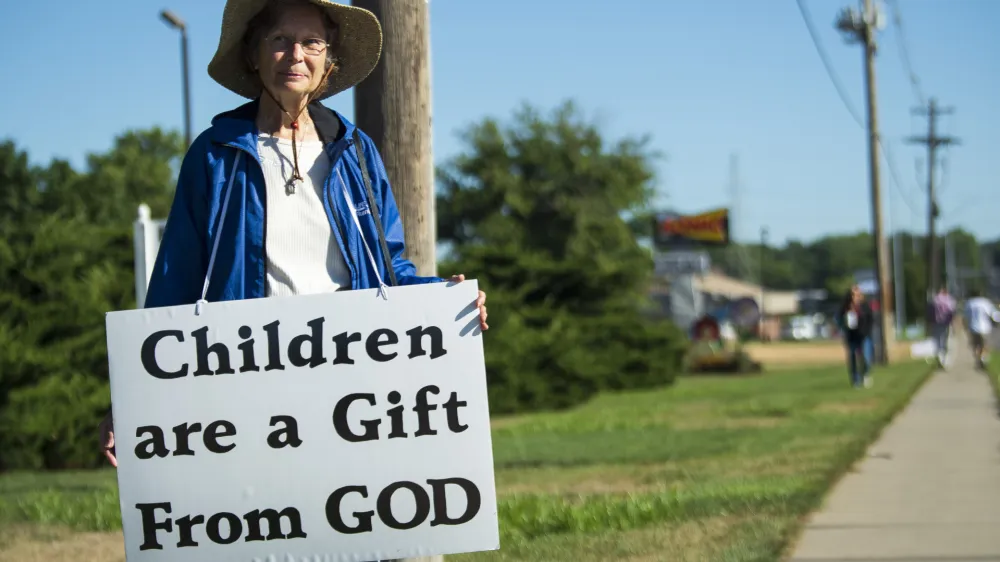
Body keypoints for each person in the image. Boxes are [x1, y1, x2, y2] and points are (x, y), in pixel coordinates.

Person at [99, 0, 488, 468]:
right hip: (248, 386)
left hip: (352, 382)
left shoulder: (356, 153)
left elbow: (388, 271)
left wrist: (444, 299)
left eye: (311, 43)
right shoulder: (215, 155)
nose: (295, 55)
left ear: (330, 60)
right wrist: (132, 399)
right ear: (253, 54)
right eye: (279, 40)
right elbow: (175, 282)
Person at [838, 284, 874, 388]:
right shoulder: (846, 308)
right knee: (853, 357)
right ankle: (856, 380)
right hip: (852, 336)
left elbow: (870, 319)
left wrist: (866, 331)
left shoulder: (864, 306)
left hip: (864, 335)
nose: (856, 297)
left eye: (858, 294)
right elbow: (840, 320)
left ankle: (865, 374)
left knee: (866, 357)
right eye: (853, 295)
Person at [963, 289, 995, 370]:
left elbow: (965, 317)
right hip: (985, 327)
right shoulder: (985, 302)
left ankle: (978, 359)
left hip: (973, 327)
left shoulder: (969, 303)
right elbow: (992, 314)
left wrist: (966, 328)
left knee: (976, 346)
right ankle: (983, 358)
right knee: (985, 345)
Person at [930, 285, 957, 368]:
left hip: (936, 323)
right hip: (947, 323)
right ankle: (945, 360)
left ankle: (940, 357)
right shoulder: (950, 300)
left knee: (938, 341)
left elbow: (930, 312)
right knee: (947, 341)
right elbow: (952, 312)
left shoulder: (934, 300)